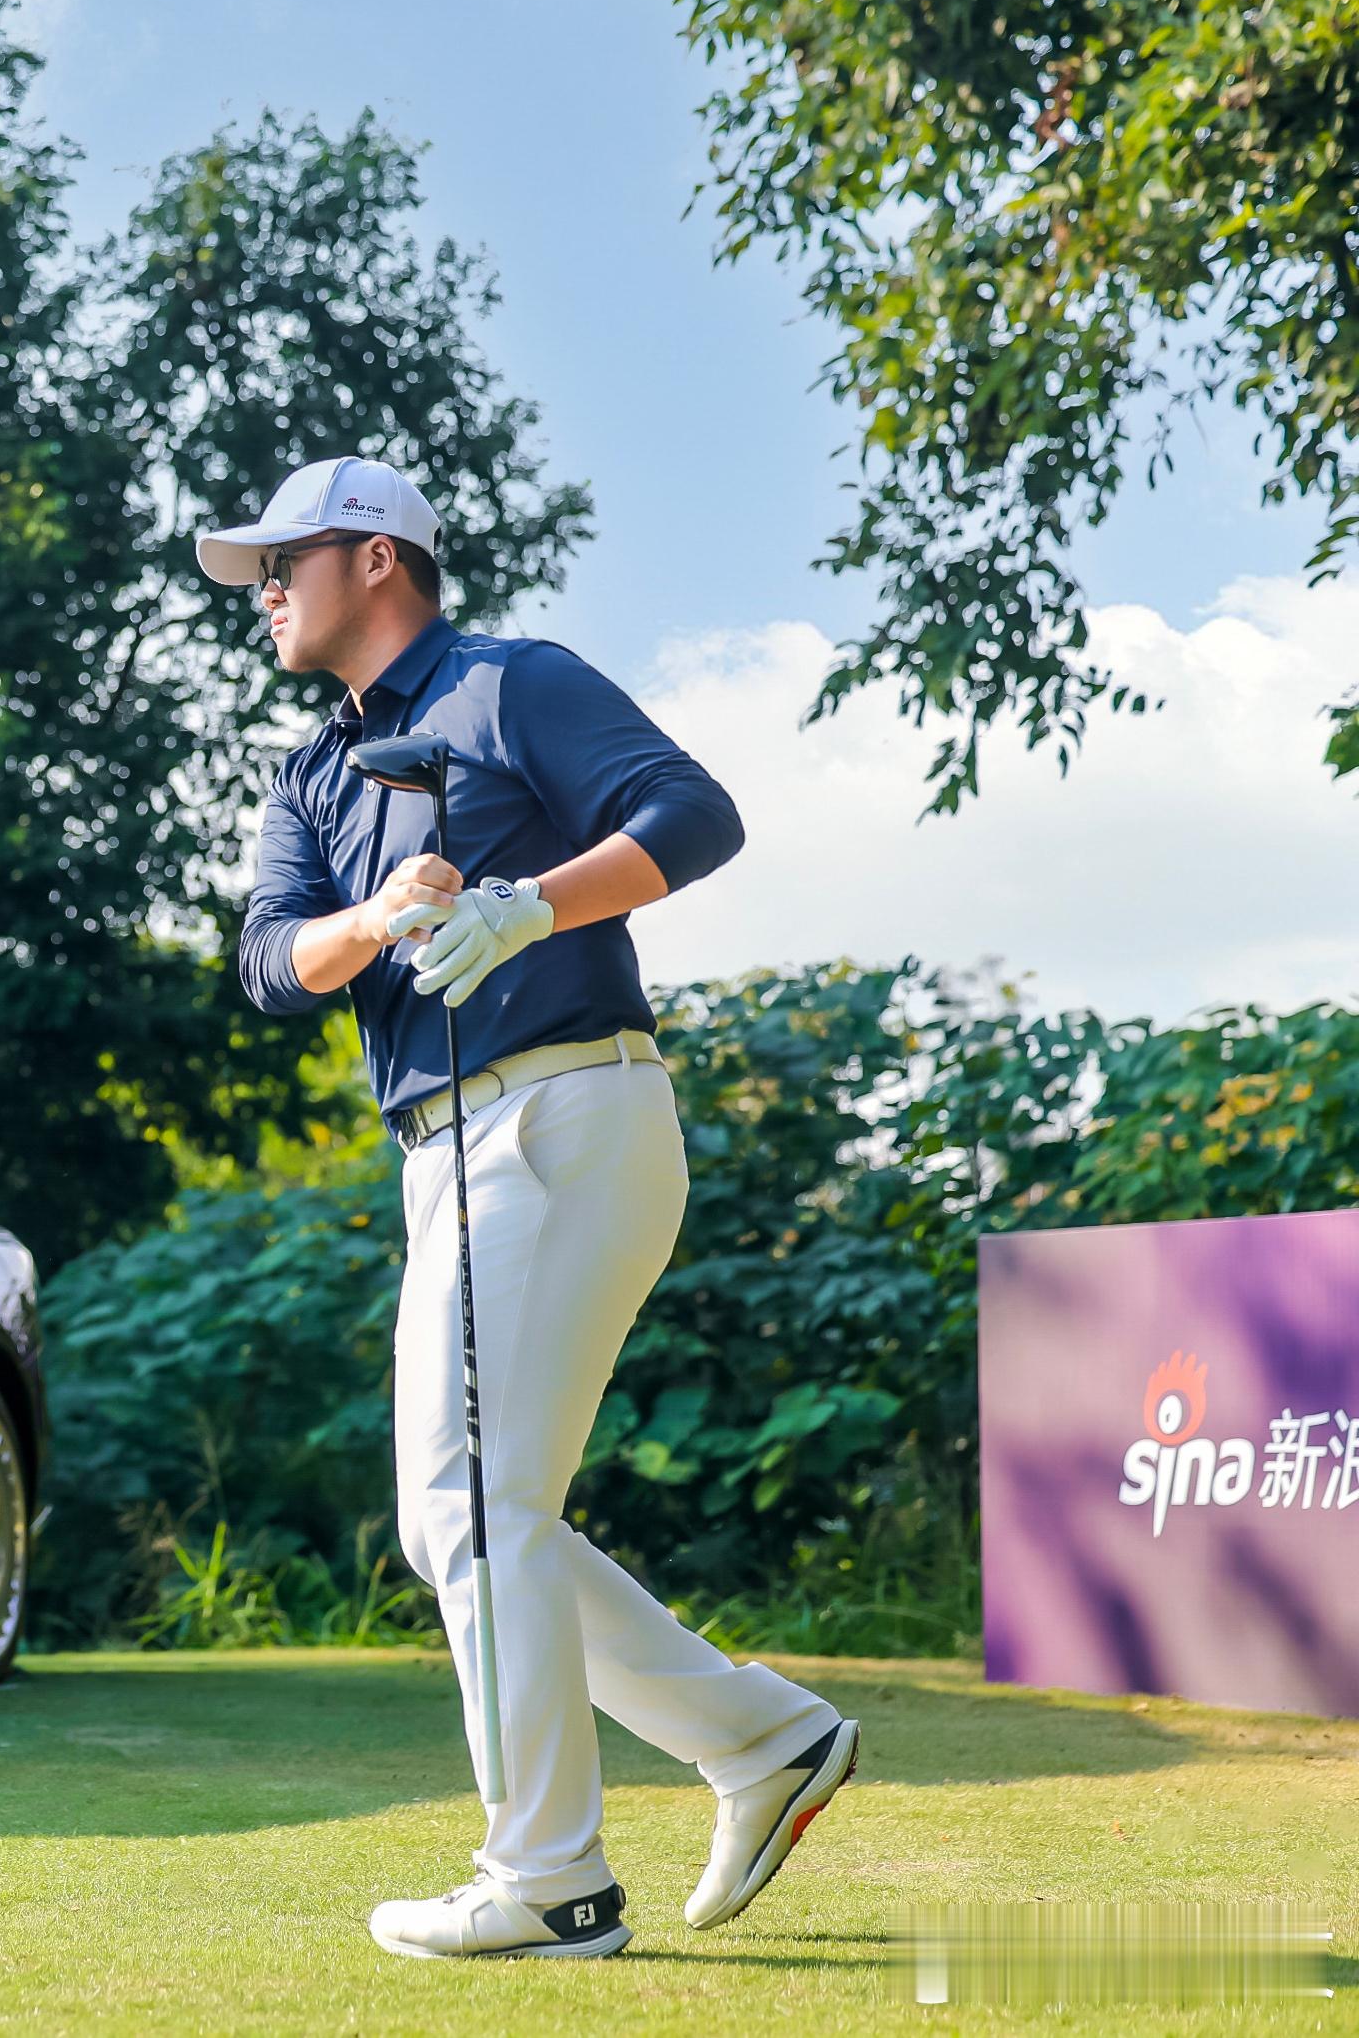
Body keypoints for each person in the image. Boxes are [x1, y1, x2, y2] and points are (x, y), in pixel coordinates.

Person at [200, 456, 859, 1961]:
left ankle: (550, 1879)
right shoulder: (311, 771)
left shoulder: (511, 683)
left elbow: (697, 814)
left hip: (564, 1106)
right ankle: (760, 1737)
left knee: (477, 1506)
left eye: (286, 563)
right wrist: (380, 918)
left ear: (377, 558)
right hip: (445, 1148)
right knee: (462, 1520)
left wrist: (524, 905)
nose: (266, 592)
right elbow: (268, 961)